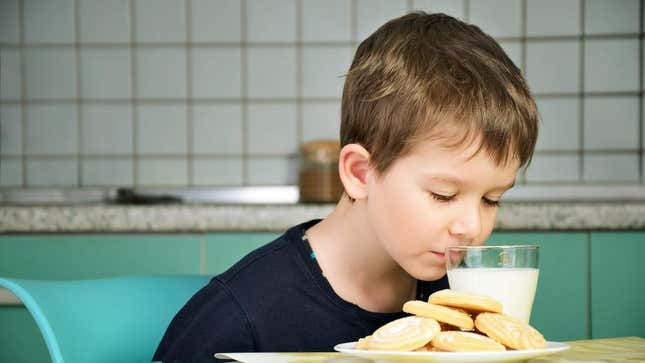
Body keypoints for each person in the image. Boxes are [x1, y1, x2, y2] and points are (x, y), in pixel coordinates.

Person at [153, 11, 538, 362]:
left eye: (492, 199)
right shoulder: (240, 320)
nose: (472, 228)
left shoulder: (463, 308)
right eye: (443, 194)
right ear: (359, 174)